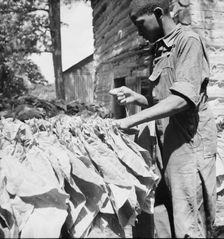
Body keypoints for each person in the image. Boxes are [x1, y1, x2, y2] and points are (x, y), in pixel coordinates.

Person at [110, 0, 217, 238]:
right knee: (165, 219)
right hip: (165, 145)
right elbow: (164, 102)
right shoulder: (158, 49)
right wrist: (138, 97)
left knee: (189, 222)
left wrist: (130, 121)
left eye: (140, 24)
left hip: (189, 144)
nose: (138, 32)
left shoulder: (187, 41)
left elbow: (182, 101)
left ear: (158, 14)